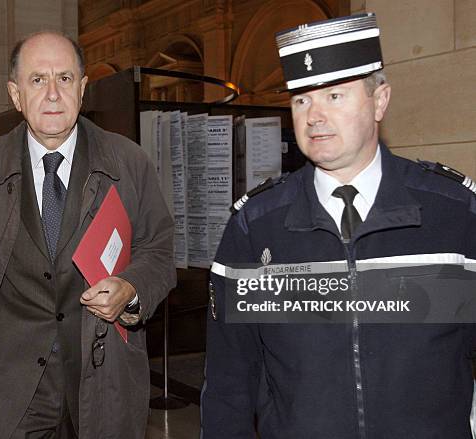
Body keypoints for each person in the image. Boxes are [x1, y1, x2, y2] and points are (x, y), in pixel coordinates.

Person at [201, 13, 476, 438]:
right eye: (301, 99)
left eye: (334, 95)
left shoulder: (452, 213)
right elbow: (229, 384)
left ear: (380, 101)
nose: (314, 116)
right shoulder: (256, 228)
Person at [0, 31, 175, 438]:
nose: (52, 93)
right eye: (37, 79)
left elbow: (159, 250)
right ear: (15, 94)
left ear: (83, 89)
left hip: (103, 379)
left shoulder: (128, 162)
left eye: (64, 79)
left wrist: (131, 289)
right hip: (6, 390)